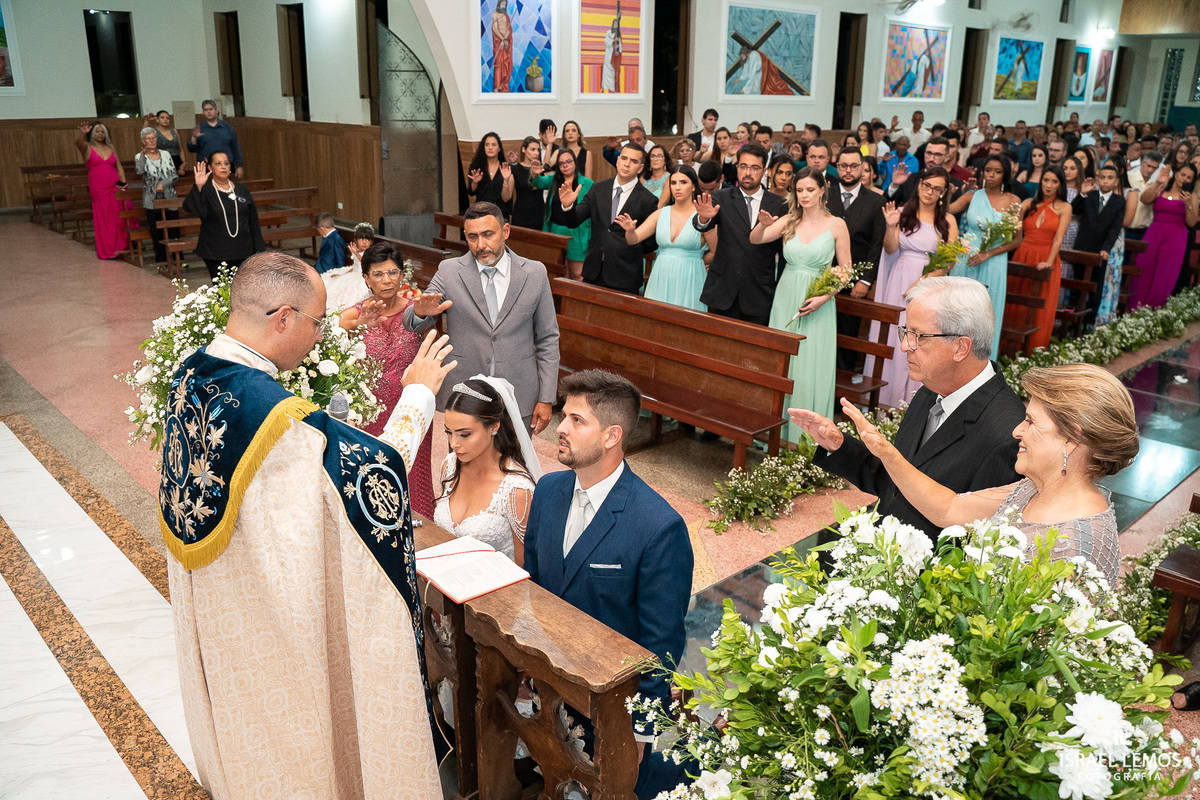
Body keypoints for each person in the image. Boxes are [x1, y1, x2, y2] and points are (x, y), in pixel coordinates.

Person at [162, 250, 452, 800]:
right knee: (291, 741)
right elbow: (375, 477)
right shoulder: (268, 413)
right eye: (318, 322)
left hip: (223, 596)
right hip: (269, 618)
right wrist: (418, 392)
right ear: (283, 318)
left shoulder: (192, 372)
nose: (320, 336)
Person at [523, 369, 694, 800]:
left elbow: (662, 642)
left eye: (577, 420)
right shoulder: (548, 491)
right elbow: (536, 589)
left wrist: (641, 731)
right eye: (564, 415)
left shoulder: (658, 526)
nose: (561, 427)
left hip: (611, 714)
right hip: (548, 694)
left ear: (611, 436)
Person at [831, 363, 1136, 586]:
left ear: (1071, 439)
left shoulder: (1076, 549)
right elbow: (947, 508)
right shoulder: (1033, 489)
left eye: (1031, 422)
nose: (1017, 430)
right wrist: (886, 452)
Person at [794, 276, 1025, 543]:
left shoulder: (1007, 433)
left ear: (961, 347)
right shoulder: (931, 390)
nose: (905, 345)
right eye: (906, 332)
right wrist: (839, 446)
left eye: (918, 336)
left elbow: (977, 544)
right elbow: (897, 482)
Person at [403, 202, 560, 432]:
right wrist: (420, 312)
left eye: (488, 235)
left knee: (516, 455)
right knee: (463, 455)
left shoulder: (534, 273)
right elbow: (411, 320)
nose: (481, 245)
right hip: (464, 390)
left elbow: (548, 338)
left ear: (505, 231)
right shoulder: (449, 271)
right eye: (473, 237)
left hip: (519, 391)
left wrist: (546, 397)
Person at [338, 240, 439, 514]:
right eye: (378, 274)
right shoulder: (355, 313)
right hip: (371, 412)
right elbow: (326, 333)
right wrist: (358, 324)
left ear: (402, 274)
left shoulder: (417, 310)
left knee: (414, 472)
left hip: (411, 408)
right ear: (366, 278)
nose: (387, 280)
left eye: (393, 272)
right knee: (376, 474)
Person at [751, 167, 851, 429]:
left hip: (818, 300)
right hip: (786, 295)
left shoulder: (837, 224)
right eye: (799, 190)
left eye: (810, 190)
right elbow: (756, 239)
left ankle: (807, 433)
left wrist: (824, 297)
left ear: (822, 191)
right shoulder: (789, 221)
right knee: (783, 360)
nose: (804, 195)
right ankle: (777, 428)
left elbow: (846, 272)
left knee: (811, 363)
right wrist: (762, 224)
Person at [867, 167, 958, 407]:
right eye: (927, 185)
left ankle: (913, 402)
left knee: (920, 337)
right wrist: (890, 226)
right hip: (900, 278)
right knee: (895, 335)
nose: (930, 192)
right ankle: (885, 399)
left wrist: (925, 279)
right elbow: (890, 250)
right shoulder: (902, 213)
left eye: (937, 189)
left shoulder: (948, 221)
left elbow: (949, 261)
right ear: (919, 184)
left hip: (929, 284)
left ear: (943, 193)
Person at [436, 377, 541, 563]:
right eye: (448, 432)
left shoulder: (517, 490)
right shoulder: (449, 466)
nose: (454, 444)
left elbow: (525, 567)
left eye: (464, 434)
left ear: (494, 426)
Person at [694, 143, 788, 326]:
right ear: (737, 168)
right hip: (724, 290)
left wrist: (780, 288)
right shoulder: (721, 197)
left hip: (760, 292)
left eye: (755, 168)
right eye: (743, 166)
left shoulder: (780, 205)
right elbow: (702, 224)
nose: (748, 172)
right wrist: (703, 218)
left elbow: (784, 251)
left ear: (765, 171)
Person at [558, 142, 659, 294]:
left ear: (640, 168)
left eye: (634, 161)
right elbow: (573, 221)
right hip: (593, 272)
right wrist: (568, 207)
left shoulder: (648, 200)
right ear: (617, 161)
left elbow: (651, 244)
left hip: (625, 275)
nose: (627, 164)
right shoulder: (598, 189)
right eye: (624, 158)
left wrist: (629, 239)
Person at [948, 156, 1023, 359]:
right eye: (988, 170)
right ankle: (954, 357)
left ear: (1005, 174)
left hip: (994, 260)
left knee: (986, 311)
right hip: (967, 256)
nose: (991, 175)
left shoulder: (1013, 201)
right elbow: (946, 211)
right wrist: (950, 194)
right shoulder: (972, 196)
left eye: (997, 171)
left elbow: (1017, 240)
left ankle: (981, 361)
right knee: (960, 309)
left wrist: (988, 254)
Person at [828, 148, 887, 370]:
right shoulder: (825, 195)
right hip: (824, 277)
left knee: (848, 336)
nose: (848, 170)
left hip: (854, 284)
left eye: (854, 166)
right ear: (837, 167)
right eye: (843, 166)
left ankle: (844, 381)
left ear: (863, 168)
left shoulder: (875, 201)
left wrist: (865, 280)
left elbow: (876, 245)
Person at [618, 165, 707, 311]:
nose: (677, 187)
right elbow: (633, 239)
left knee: (689, 320)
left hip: (691, 277)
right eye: (673, 183)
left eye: (683, 182)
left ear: (693, 187)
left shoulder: (703, 215)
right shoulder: (660, 214)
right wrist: (629, 230)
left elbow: (716, 250)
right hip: (661, 275)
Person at [1006, 166, 1072, 350]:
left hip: (1046, 257)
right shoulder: (1028, 203)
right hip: (1023, 254)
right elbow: (1013, 230)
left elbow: (1058, 238)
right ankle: (1008, 349)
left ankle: (1033, 350)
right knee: (1017, 299)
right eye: (1046, 180)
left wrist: (1048, 263)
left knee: (1040, 307)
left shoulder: (1065, 207)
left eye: (1054, 181)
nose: (1049, 185)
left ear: (1060, 185)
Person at [182, 151, 266, 280]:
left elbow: (253, 221)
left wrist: (260, 250)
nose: (223, 167)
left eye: (226, 163)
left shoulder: (241, 189)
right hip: (216, 252)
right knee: (223, 290)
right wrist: (198, 186)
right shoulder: (206, 189)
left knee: (243, 288)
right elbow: (189, 208)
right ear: (210, 167)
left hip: (244, 250)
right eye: (218, 163)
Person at [1133, 163, 1199, 308]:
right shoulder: (1162, 188)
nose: (1184, 179)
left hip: (1176, 238)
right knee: (1144, 269)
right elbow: (1144, 199)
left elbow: (1191, 222)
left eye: (1189, 177)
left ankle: (1155, 310)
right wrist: (1158, 182)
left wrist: (1188, 204)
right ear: (1176, 174)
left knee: (1164, 275)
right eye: (1182, 174)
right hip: (1154, 234)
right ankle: (1135, 309)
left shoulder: (1191, 197)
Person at [1070, 162, 1127, 322]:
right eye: (1102, 177)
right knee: (1077, 285)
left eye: (1110, 178)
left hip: (1100, 251)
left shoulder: (1119, 201)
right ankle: (1072, 322)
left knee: (1096, 288)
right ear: (1097, 179)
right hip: (1082, 247)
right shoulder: (1090, 196)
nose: (1105, 181)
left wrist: (1106, 249)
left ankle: (1088, 323)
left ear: (1116, 181)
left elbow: (1115, 229)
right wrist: (1082, 194)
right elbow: (1073, 210)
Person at [530, 149, 592, 281]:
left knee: (577, 274)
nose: (565, 165)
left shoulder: (587, 183)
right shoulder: (554, 179)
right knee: (559, 273)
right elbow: (537, 183)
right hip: (556, 230)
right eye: (561, 163)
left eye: (568, 161)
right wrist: (534, 174)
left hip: (577, 233)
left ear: (575, 162)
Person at [75, 121, 128, 260]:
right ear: (92, 133)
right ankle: (108, 250)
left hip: (115, 185)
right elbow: (78, 144)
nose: (100, 134)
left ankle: (121, 247)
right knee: (104, 218)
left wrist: (123, 184)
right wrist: (82, 134)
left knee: (118, 217)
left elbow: (119, 166)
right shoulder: (87, 147)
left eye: (103, 131)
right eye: (97, 131)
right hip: (98, 188)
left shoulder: (110, 147)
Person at [135, 126, 179, 264]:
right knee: (156, 231)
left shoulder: (166, 154)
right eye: (149, 139)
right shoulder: (139, 157)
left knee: (173, 228)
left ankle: (178, 257)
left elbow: (174, 175)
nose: (152, 141)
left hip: (169, 196)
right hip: (152, 199)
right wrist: (143, 156)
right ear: (143, 141)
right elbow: (139, 171)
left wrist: (163, 184)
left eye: (154, 138)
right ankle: (161, 258)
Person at [187, 100, 244, 179]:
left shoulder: (227, 127)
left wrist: (239, 166)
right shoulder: (198, 128)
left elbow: (235, 147)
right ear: (203, 112)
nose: (208, 112)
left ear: (216, 111)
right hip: (206, 168)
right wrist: (194, 138)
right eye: (206, 110)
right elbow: (192, 149)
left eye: (211, 109)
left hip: (226, 166)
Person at [324, 222, 373, 314]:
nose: (364, 242)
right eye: (361, 239)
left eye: (367, 240)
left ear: (371, 242)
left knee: (355, 293)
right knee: (337, 287)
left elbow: (365, 263)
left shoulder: (370, 253)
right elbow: (355, 266)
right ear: (356, 240)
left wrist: (356, 254)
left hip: (363, 277)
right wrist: (342, 274)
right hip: (353, 274)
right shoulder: (356, 252)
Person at [508, 136, 547, 229]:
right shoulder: (515, 168)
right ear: (524, 149)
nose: (536, 153)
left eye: (538, 150)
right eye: (532, 149)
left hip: (538, 213)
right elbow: (509, 195)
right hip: (520, 213)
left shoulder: (542, 169)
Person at [466, 132, 512, 209]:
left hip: (500, 211)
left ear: (499, 148)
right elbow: (471, 192)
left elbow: (506, 199)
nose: (490, 148)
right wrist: (475, 182)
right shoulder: (477, 166)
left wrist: (506, 180)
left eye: (493, 145)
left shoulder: (505, 168)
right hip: (481, 211)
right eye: (487, 145)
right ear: (483, 148)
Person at [151, 110, 186, 176]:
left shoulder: (174, 131)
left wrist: (184, 163)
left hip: (177, 162)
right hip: (161, 162)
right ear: (157, 120)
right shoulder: (154, 131)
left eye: (167, 118)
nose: (165, 120)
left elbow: (181, 149)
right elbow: (144, 137)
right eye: (162, 118)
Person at [491, 0, 513, 92]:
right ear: (499, 4)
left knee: (506, 64)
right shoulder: (494, 14)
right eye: (502, 4)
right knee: (498, 64)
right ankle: (496, 88)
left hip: (506, 42)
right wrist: (501, 39)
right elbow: (495, 28)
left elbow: (509, 28)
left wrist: (505, 39)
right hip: (498, 41)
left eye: (505, 4)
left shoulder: (506, 15)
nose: (503, 6)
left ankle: (504, 86)